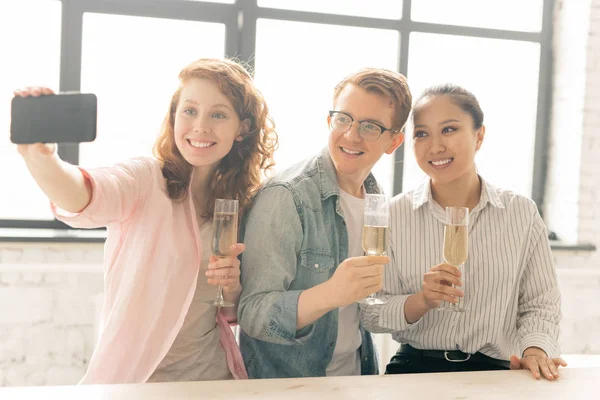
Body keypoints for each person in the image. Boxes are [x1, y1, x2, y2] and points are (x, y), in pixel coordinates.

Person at [14, 58, 278, 384]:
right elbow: (81, 195)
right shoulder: (146, 179)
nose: (201, 126)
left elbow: (233, 312)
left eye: (219, 114)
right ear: (174, 117)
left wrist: (232, 285)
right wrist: (40, 155)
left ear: (243, 129)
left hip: (213, 379)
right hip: (138, 382)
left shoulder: (242, 201)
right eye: (190, 111)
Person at [361, 83, 566, 380]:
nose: (435, 146)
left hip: (496, 373)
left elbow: (540, 303)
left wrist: (534, 350)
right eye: (421, 133)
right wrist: (421, 300)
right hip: (413, 373)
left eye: (449, 130)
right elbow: (371, 309)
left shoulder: (521, 213)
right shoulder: (393, 215)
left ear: (479, 135)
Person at [238, 68, 412, 378]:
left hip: (356, 376)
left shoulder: (376, 198)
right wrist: (330, 293)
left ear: (394, 142)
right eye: (344, 118)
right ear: (330, 120)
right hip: (291, 387)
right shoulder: (287, 196)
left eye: (370, 126)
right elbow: (253, 315)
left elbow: (364, 308)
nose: (351, 134)